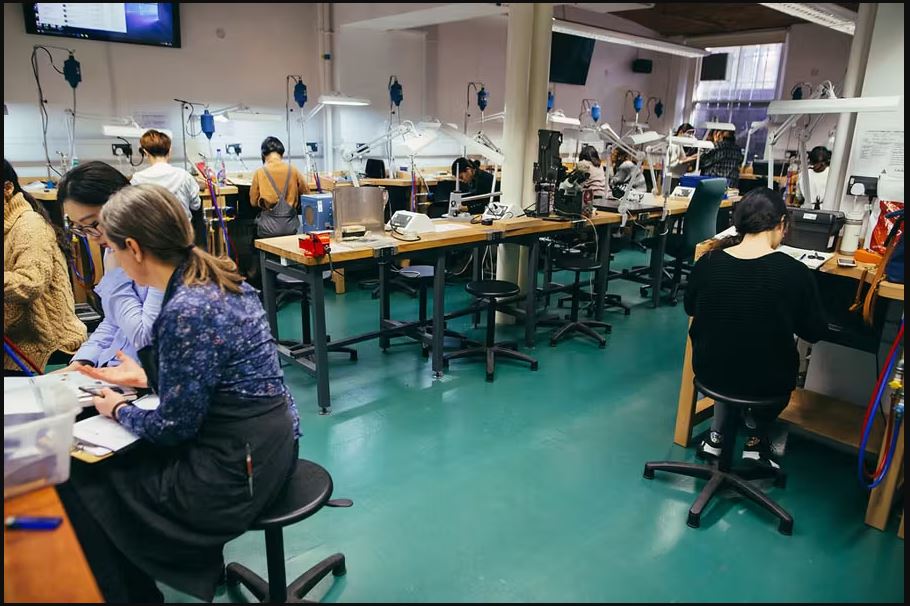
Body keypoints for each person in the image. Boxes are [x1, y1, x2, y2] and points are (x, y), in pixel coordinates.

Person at [58, 183, 301, 602]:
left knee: (81, 475)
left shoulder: (185, 309)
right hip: (270, 440)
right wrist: (147, 379)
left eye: (111, 248)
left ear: (132, 247)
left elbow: (173, 427)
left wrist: (117, 409)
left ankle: (132, 595)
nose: (111, 257)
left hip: (238, 466)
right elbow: (212, 375)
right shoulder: (213, 277)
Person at [685, 187, 827, 468]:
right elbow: (814, 331)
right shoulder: (795, 273)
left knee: (731, 349)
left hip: (710, 373)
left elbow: (691, 308)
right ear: (782, 225)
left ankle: (716, 436)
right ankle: (755, 437)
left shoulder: (709, 262)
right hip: (768, 385)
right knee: (762, 360)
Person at [55, 161, 164, 372]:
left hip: (141, 380)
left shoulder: (161, 258)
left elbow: (144, 338)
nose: (93, 238)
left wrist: (115, 276)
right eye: (81, 229)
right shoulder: (113, 251)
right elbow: (113, 321)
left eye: (94, 224)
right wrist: (82, 362)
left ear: (122, 205)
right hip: (108, 369)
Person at [3, 159, 86, 374]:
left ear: (8, 189)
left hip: (46, 349)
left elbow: (31, 283)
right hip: (17, 347)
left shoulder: (29, 226)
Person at [130, 129, 201, 221]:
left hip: (152, 232)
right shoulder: (184, 176)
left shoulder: (137, 179)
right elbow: (196, 205)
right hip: (181, 232)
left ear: (145, 153)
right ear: (170, 151)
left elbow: (134, 210)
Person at [250, 136, 310, 238]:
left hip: (268, 228)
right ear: (281, 153)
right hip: (291, 227)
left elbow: (253, 202)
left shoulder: (259, 172)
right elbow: (307, 194)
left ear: (264, 154)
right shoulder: (293, 170)